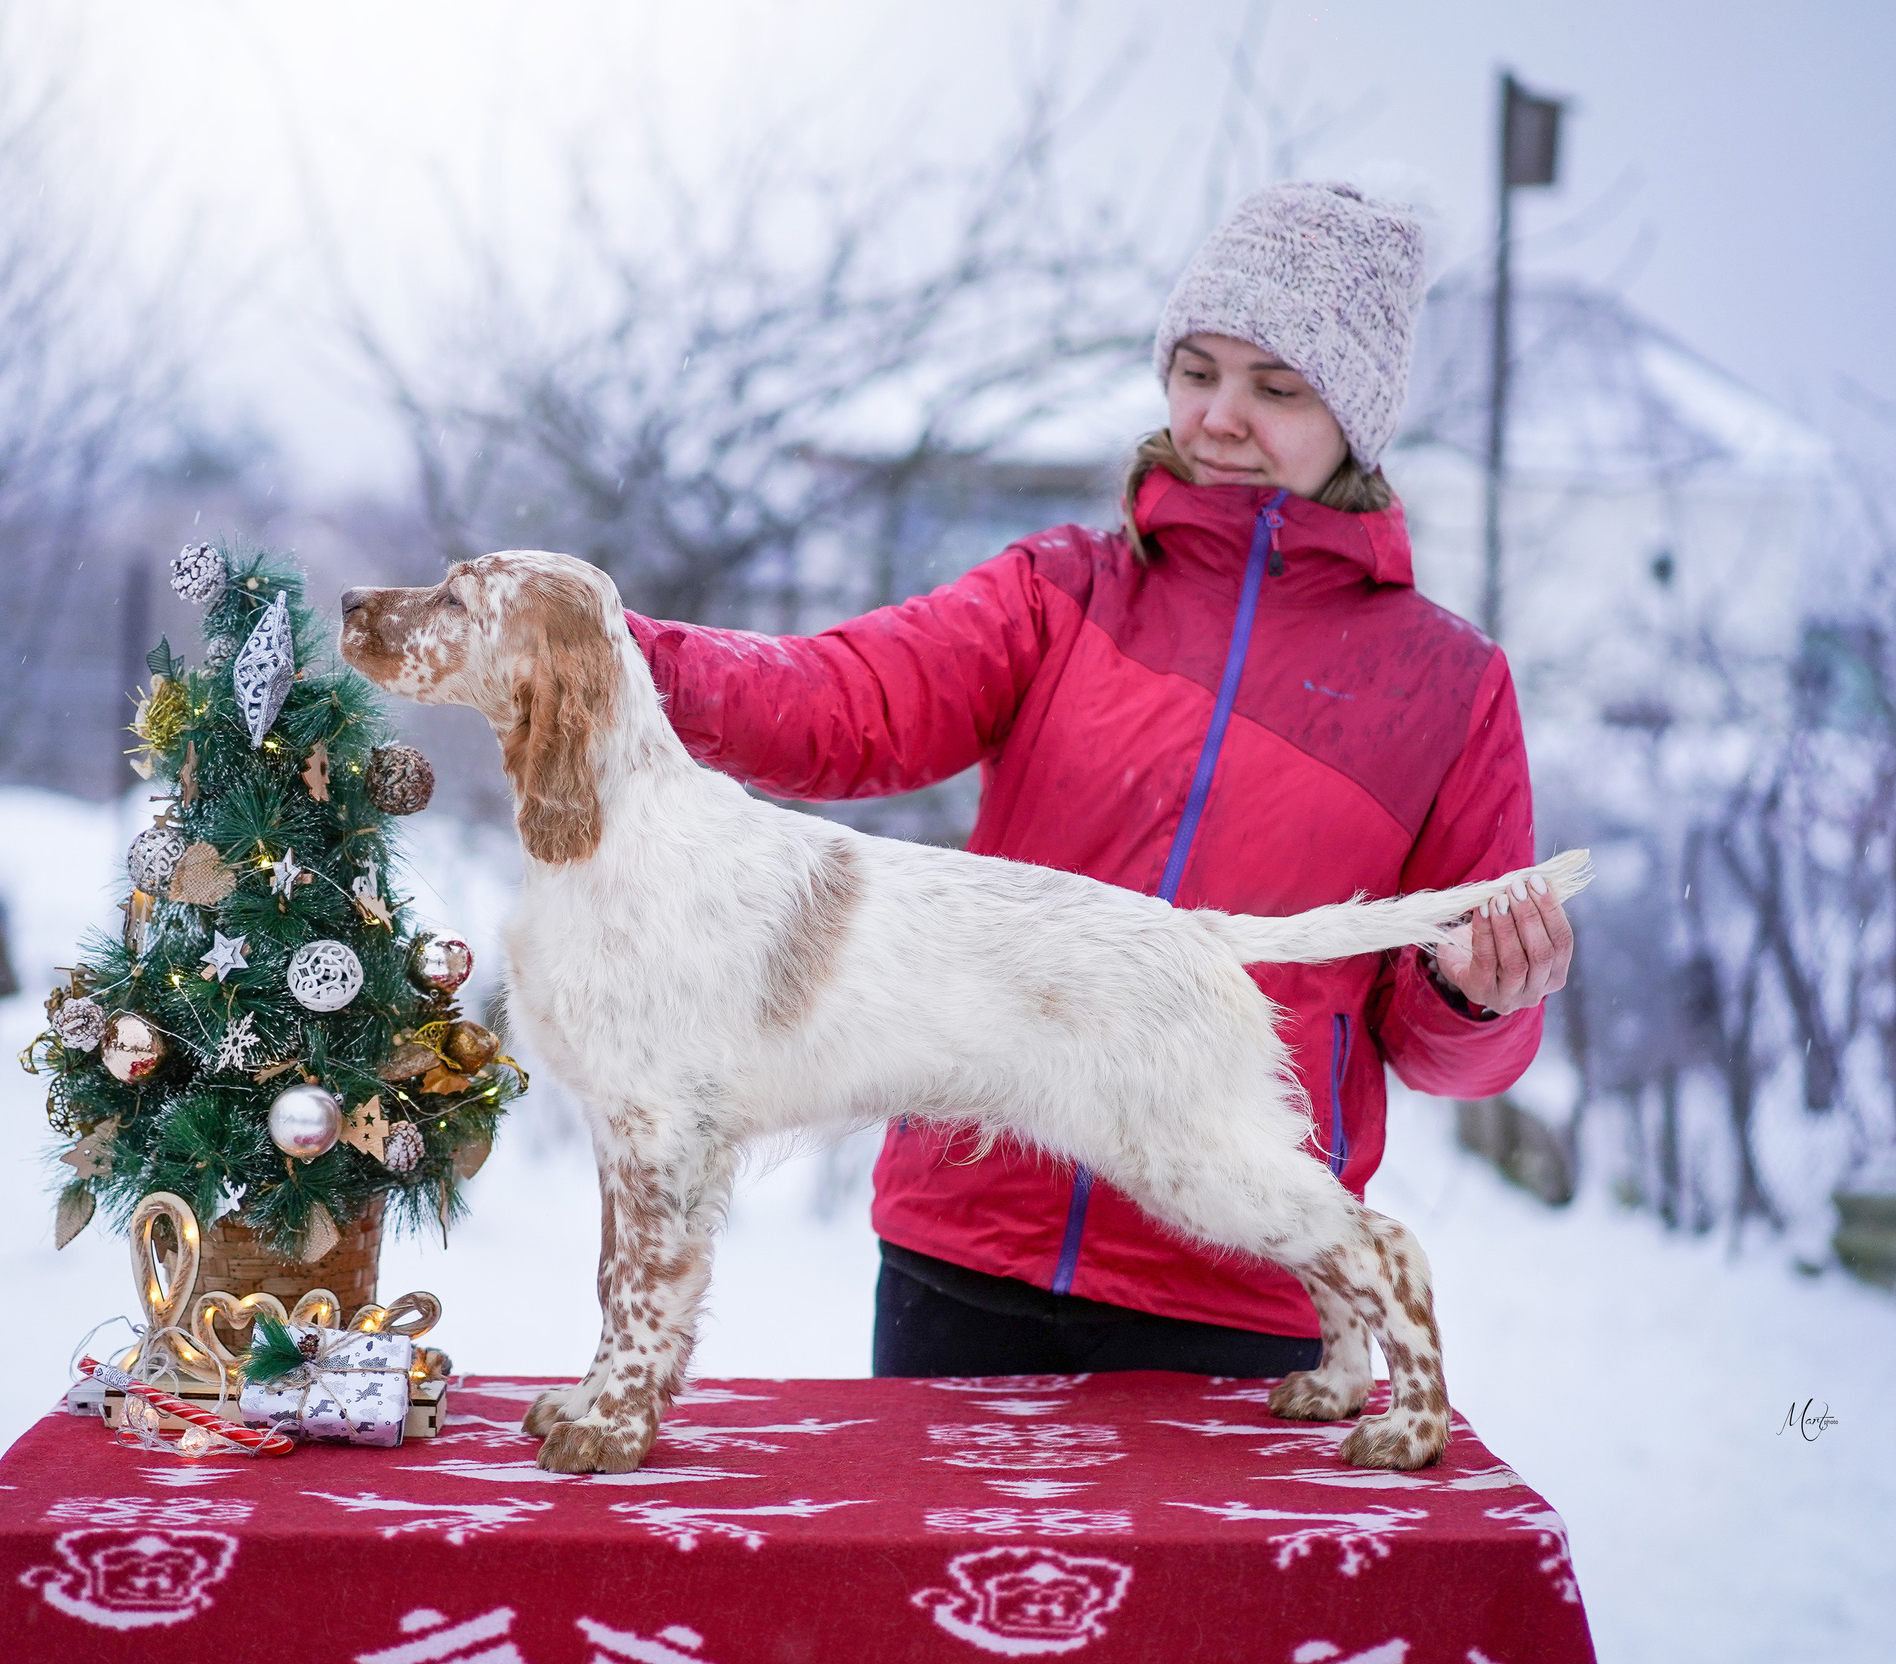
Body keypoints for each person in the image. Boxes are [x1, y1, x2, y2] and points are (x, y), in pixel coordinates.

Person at [620, 181, 1574, 1380]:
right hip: (969, 1236)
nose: (1219, 415)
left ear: (1357, 415)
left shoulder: (1446, 684)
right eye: (1196, 368)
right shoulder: (1061, 593)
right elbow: (834, 703)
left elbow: (1445, 1051)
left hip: (1235, 1280)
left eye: (1276, 387)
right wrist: (612, 650)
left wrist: (1483, 995)